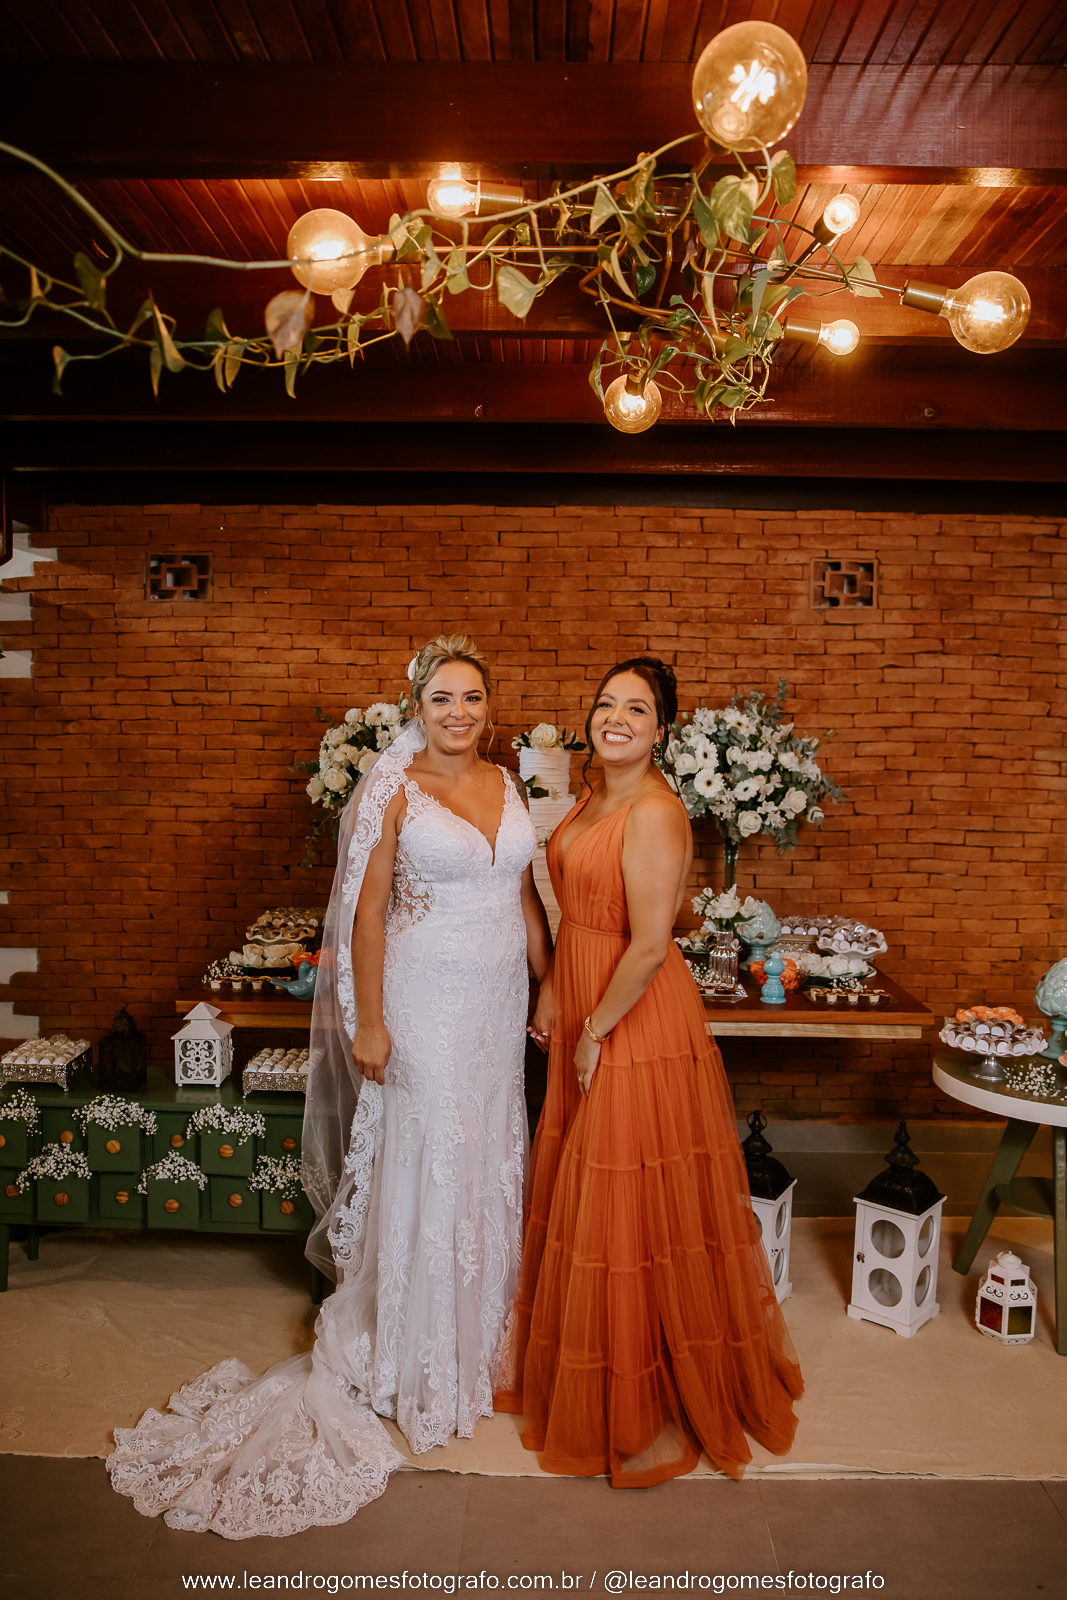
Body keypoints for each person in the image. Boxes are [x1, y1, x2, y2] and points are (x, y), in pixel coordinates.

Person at [108, 635, 551, 1538]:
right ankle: (416, 1363)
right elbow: (365, 914)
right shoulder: (393, 788)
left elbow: (523, 898)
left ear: (489, 708)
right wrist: (370, 1022)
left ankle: (479, 1350)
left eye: (471, 697)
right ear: (416, 709)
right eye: (441, 698)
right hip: (423, 1004)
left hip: (498, 1007)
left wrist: (551, 985)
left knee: (490, 1155)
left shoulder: (508, 784)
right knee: (432, 1158)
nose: (458, 712)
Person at [496, 657, 802, 1487]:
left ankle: (634, 1394)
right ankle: (598, 1369)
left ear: (661, 729)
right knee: (590, 1189)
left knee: (625, 1194)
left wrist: (594, 1028)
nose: (615, 719)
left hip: (632, 1010)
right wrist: (553, 990)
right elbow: (572, 911)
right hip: (584, 992)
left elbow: (649, 943)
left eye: (635, 709)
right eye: (605, 704)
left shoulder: (658, 811)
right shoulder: (592, 795)